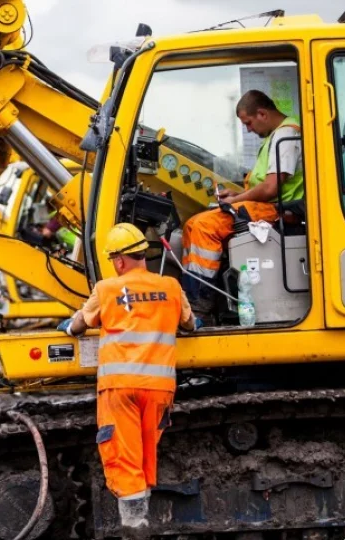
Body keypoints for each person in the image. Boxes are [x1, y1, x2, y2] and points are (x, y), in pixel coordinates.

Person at [57, 222, 195, 538]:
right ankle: (142, 516)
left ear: (119, 260)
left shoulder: (107, 289)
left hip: (120, 387)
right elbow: (189, 324)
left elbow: (78, 325)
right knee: (146, 454)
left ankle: (134, 527)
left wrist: (68, 327)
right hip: (159, 389)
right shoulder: (171, 287)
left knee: (124, 456)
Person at [181, 90, 304, 319]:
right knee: (192, 223)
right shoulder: (277, 136)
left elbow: (270, 189)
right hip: (268, 206)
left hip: (279, 211)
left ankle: (200, 305)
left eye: (248, 123)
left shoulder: (286, 136)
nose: (248, 129)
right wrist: (238, 194)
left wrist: (235, 200)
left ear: (262, 114)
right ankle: (191, 296)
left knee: (204, 227)